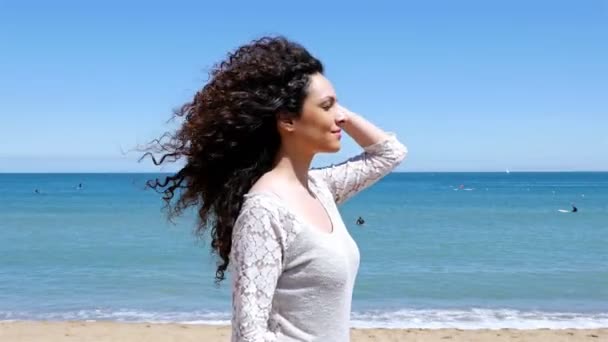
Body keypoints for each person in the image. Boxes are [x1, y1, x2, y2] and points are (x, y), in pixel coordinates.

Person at [143, 36, 407, 341]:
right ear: (286, 120)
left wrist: (331, 105)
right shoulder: (264, 211)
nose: (340, 117)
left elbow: (390, 153)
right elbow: (249, 335)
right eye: (326, 106)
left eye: (339, 106)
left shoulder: (319, 188)